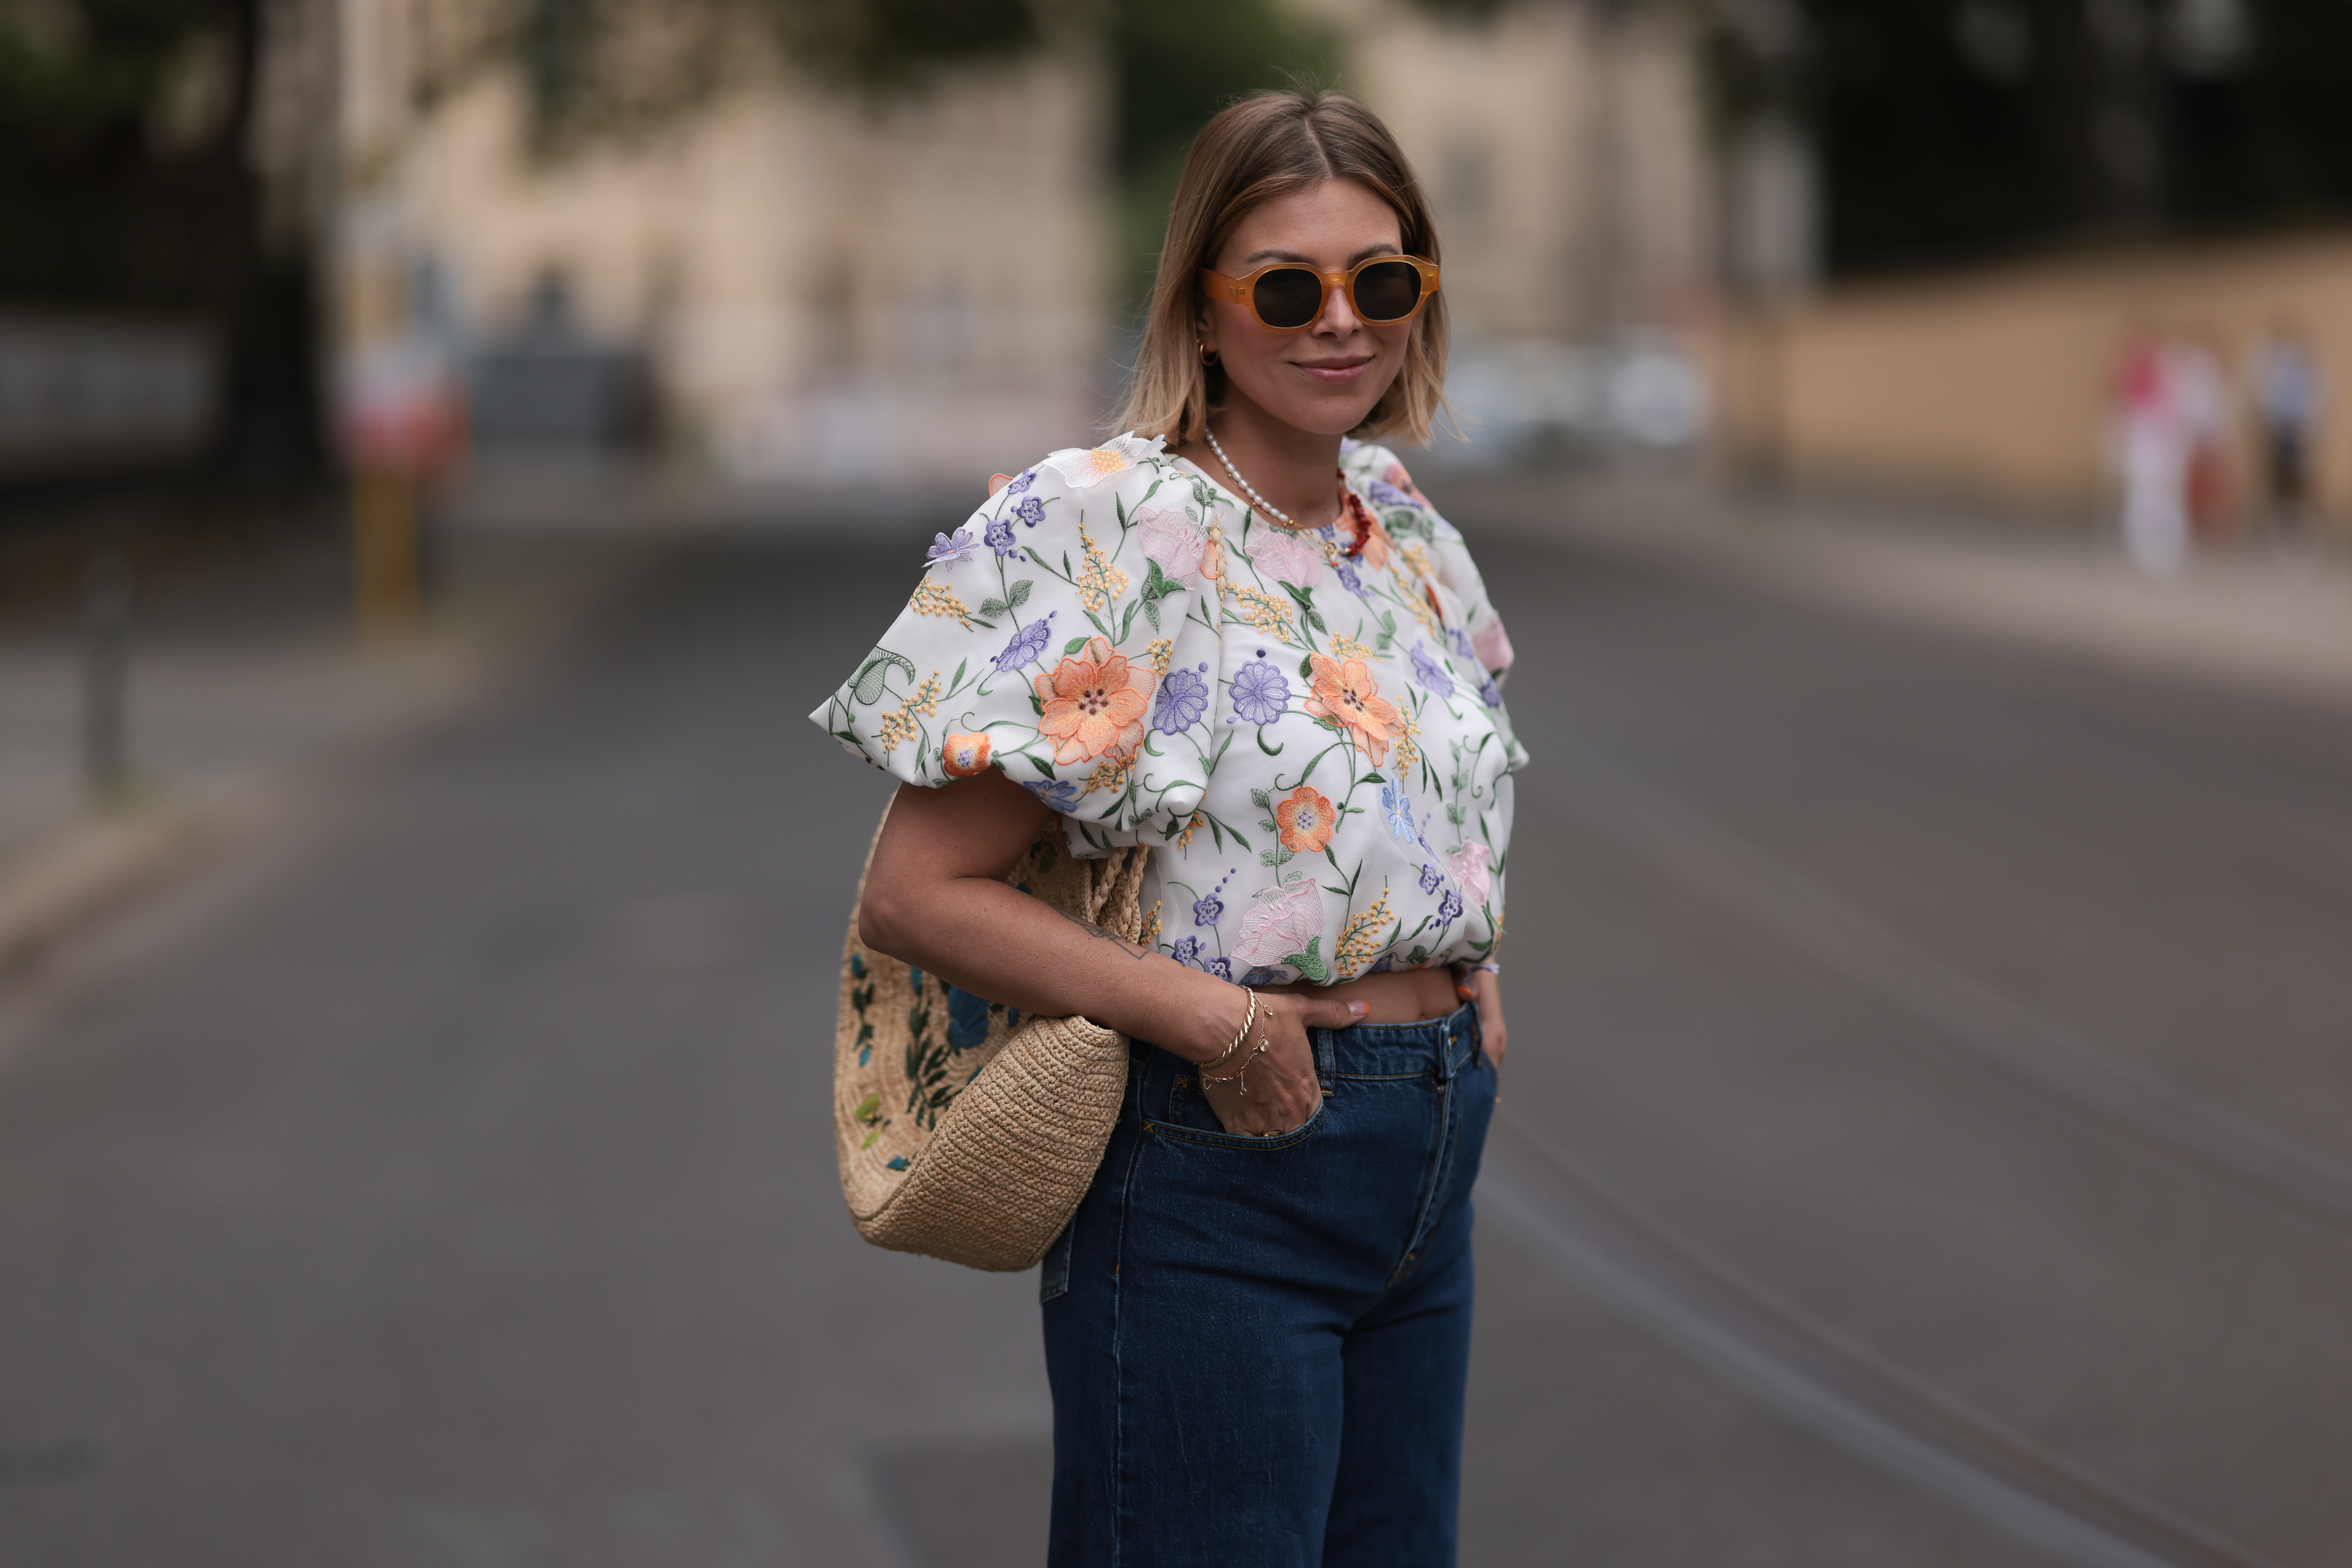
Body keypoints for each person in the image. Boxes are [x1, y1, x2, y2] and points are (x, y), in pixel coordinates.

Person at [810, 88, 1523, 1567]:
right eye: (1288, 287)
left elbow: (1423, 808)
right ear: (1202, 310)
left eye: (1381, 281)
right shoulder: (1112, 526)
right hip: (1221, 1175)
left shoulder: (1400, 524)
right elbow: (918, 892)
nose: (1343, 322)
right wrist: (1219, 1025)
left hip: (1428, 1158)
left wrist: (1467, 974)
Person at [2250, 324, 2325, 546]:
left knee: (2300, 483)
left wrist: (2309, 427)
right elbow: (2264, 395)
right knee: (2278, 482)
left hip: (2298, 430)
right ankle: (2278, 530)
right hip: (2279, 430)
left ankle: (2303, 529)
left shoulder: (2306, 364)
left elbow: (2316, 396)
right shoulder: (2271, 363)